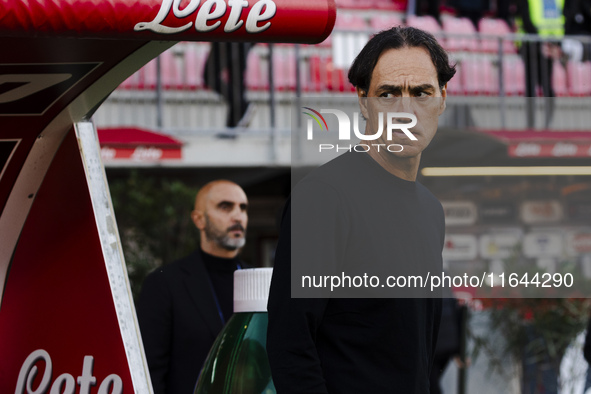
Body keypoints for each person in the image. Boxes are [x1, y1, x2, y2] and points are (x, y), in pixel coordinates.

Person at [267, 26, 455, 393]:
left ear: (442, 99)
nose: (406, 111)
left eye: (421, 93)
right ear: (363, 101)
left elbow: (419, 352)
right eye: (388, 94)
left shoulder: (432, 211)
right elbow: (290, 344)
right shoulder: (323, 198)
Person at [137, 180, 248, 394]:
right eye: (225, 207)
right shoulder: (164, 283)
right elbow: (150, 371)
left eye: (243, 208)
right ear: (199, 219)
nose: (238, 216)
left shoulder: (261, 281)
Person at [516, 0, 565, 129]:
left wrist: (555, 44)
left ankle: (546, 124)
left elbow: (561, 20)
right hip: (533, 45)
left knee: (545, 84)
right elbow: (525, 19)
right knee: (533, 85)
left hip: (546, 45)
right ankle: (532, 124)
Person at [204, 42, 255, 128]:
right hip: (244, 39)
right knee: (236, 80)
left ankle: (242, 106)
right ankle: (231, 127)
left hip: (227, 39)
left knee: (210, 75)